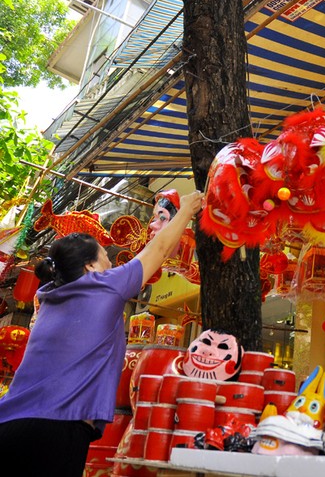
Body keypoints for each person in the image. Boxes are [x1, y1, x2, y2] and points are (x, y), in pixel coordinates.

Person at [0, 190, 204, 477]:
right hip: (55, 429)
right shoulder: (101, 286)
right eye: (104, 257)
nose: (111, 263)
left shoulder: (49, 297)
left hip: (10, 424)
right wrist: (186, 210)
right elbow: (156, 251)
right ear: (90, 267)